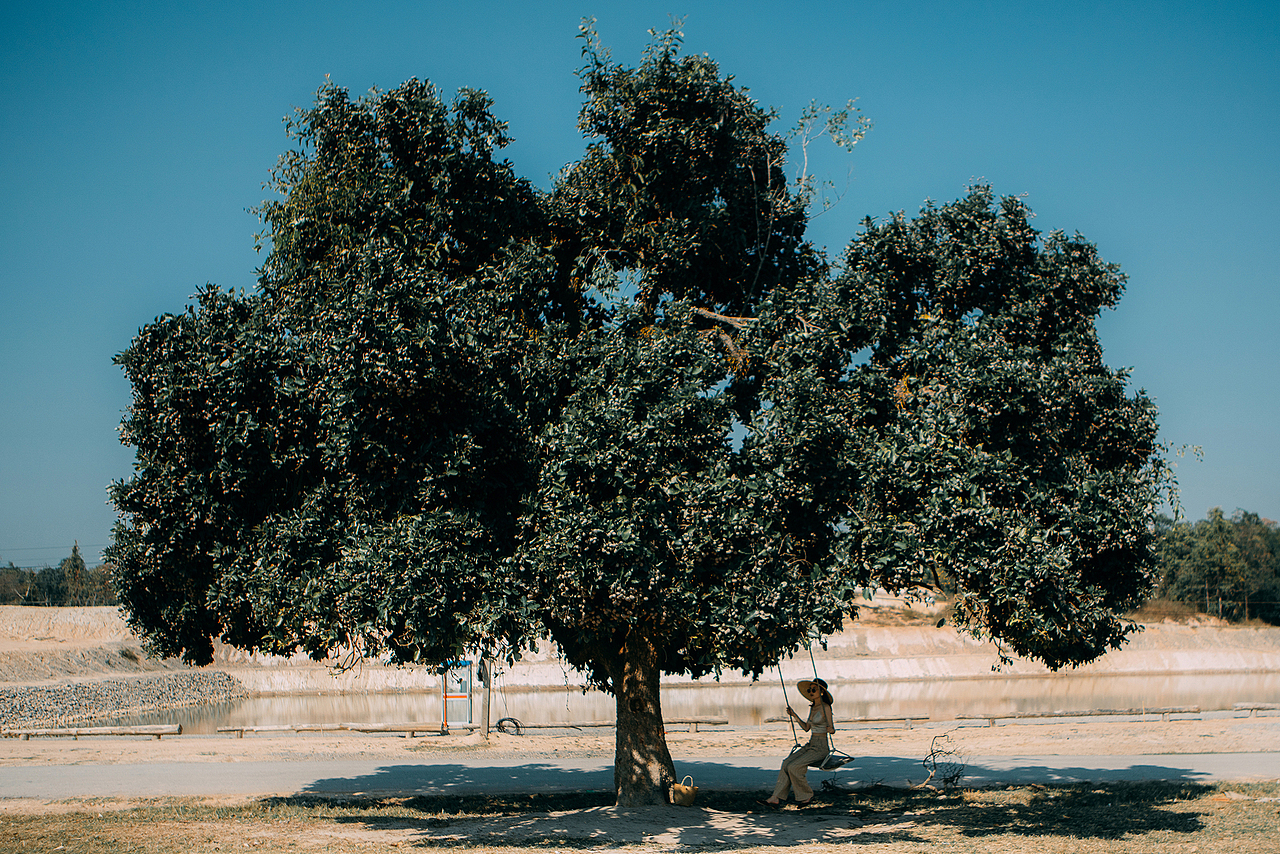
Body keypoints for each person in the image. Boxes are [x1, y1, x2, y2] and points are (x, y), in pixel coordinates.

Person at [757, 677, 834, 807]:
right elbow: (806, 728)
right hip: (811, 743)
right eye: (809, 690)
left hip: (821, 746)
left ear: (821, 692)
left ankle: (806, 796)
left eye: (814, 689)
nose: (811, 692)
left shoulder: (826, 707)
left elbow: (832, 730)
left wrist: (829, 729)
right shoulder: (813, 707)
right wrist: (794, 715)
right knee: (786, 763)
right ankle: (775, 797)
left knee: (794, 767)